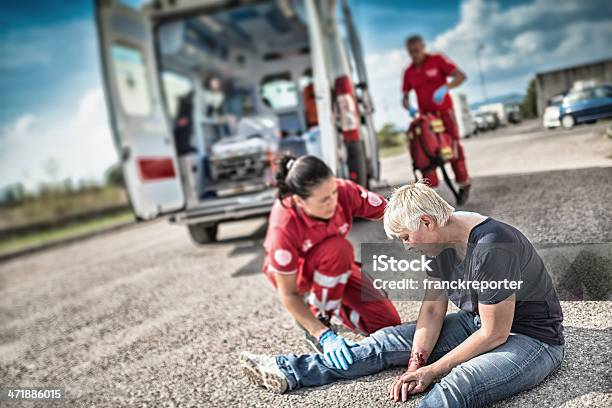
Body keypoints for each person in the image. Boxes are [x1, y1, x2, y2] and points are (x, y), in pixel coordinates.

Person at [240, 182, 565, 407]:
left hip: (531, 339)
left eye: (406, 236)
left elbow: (495, 333)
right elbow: (433, 311)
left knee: (459, 382)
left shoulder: (493, 246)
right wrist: (416, 361)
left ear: (426, 222)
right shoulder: (440, 243)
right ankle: (289, 370)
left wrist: (433, 370)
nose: (407, 245)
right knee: (387, 341)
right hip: (477, 323)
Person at [260, 155, 401, 370]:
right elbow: (288, 294)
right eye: (324, 200)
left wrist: (432, 222)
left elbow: (391, 211)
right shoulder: (283, 225)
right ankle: (318, 316)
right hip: (298, 277)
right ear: (299, 201)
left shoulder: (343, 191)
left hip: (335, 267)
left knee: (387, 324)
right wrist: (323, 334)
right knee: (337, 249)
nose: (334, 202)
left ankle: (334, 305)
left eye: (334, 192)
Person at [402, 34, 471, 205]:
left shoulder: (438, 60)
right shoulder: (409, 72)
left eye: (417, 50)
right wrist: (409, 107)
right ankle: (431, 195)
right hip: (427, 119)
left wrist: (445, 88)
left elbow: (461, 76)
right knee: (427, 152)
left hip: (444, 114)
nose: (415, 54)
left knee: (453, 149)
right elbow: (404, 97)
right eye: (411, 52)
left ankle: (463, 184)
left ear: (423, 47)